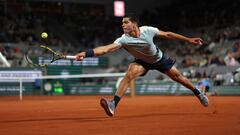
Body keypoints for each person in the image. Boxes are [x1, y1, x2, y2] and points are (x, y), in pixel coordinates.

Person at [75, 14, 209, 117]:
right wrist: (86, 54)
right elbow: (105, 49)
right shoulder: (124, 39)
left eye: (126, 22)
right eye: (122, 23)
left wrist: (189, 39)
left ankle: (198, 93)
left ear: (134, 24)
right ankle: (113, 104)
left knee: (179, 77)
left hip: (159, 59)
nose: (123, 25)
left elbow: (168, 34)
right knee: (129, 74)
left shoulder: (148, 30)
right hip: (143, 62)